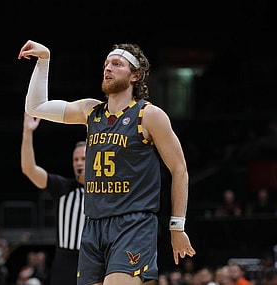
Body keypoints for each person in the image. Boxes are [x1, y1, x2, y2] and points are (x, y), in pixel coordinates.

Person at [18, 40, 196, 285]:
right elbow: (36, 107)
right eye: (106, 64)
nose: (107, 68)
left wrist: (177, 226)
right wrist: (44, 60)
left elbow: (180, 169)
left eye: (116, 64)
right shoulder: (91, 111)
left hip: (132, 224)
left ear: (136, 75)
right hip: (93, 226)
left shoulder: (149, 115)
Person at [21, 111, 86, 285]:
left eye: (84, 159)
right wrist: (27, 133)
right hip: (64, 260)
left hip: (93, 260)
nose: (79, 163)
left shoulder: (104, 191)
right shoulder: (62, 186)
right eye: (76, 159)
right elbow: (30, 169)